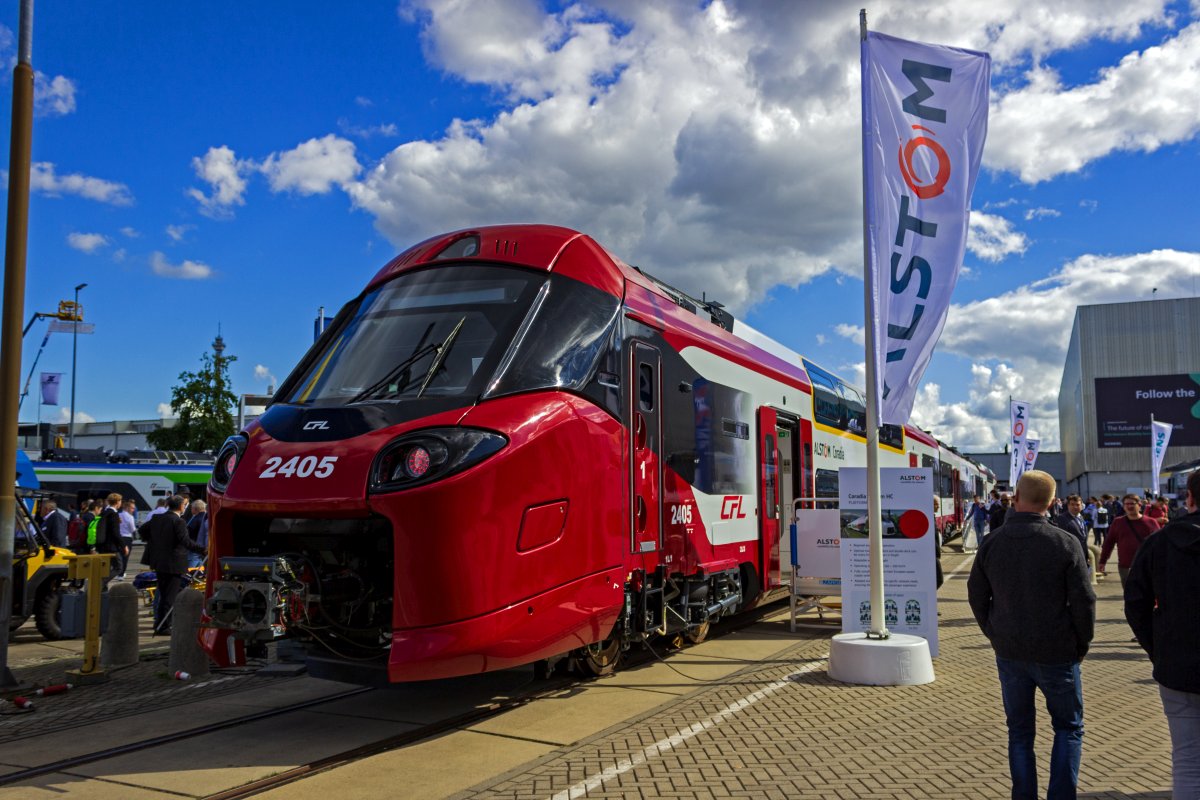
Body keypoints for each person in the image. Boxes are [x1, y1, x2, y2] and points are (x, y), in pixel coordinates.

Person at [968, 470, 1096, 800]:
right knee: (1068, 728)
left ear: (1016, 498)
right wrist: (1081, 643)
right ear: (1053, 503)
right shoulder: (1065, 542)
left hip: (1010, 651)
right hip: (1058, 651)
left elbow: (977, 595)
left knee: (1020, 732)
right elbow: (1084, 600)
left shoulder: (992, 542)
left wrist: (993, 633)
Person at [1125, 469, 1200, 799]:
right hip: (1174, 662)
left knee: (1187, 760)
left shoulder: (1159, 542)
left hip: (1177, 666)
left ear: (1190, 497)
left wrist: (1158, 649)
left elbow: (1135, 603)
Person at [139, 494, 205, 634]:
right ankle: (164, 626)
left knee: (162, 593)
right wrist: (203, 549)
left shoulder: (157, 518)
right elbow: (185, 541)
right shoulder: (178, 521)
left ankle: (159, 623)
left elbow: (142, 530)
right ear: (181, 506)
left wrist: (154, 541)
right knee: (170, 595)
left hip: (158, 561)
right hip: (174, 562)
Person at [1098, 495, 1161, 587]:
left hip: (1147, 566)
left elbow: (1160, 544)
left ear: (1139, 505)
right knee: (1129, 595)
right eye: (1126, 504)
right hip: (1126, 566)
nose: (1129, 506)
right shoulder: (1118, 522)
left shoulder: (1151, 522)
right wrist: (1102, 561)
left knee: (1148, 595)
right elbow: (1109, 543)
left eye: (1132, 503)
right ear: (1123, 506)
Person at [1054, 494, 1101, 584]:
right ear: (1068, 505)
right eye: (1072, 504)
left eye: (1077, 504)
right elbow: (1062, 539)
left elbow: (1083, 537)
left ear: (1081, 505)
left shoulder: (1080, 517)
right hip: (1071, 557)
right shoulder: (1062, 519)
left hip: (1082, 554)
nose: (1075, 507)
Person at [97, 492, 126, 577]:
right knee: (118, 567)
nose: (121, 503)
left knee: (106, 567)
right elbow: (115, 533)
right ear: (117, 502)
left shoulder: (104, 512)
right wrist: (124, 546)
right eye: (120, 501)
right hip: (111, 547)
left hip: (103, 545)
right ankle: (100, 584)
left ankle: (102, 588)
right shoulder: (114, 514)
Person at [117, 498, 138, 579]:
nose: (133, 510)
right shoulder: (130, 517)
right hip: (127, 537)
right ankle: (121, 574)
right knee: (125, 556)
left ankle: (118, 571)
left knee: (119, 556)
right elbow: (132, 529)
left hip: (119, 537)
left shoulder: (118, 515)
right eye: (132, 508)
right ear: (127, 507)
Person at [185, 499, 207, 569]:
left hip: (194, 547)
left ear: (195, 509)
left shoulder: (195, 519)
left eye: (191, 508)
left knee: (190, 569)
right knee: (201, 568)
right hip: (204, 547)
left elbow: (188, 534)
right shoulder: (207, 517)